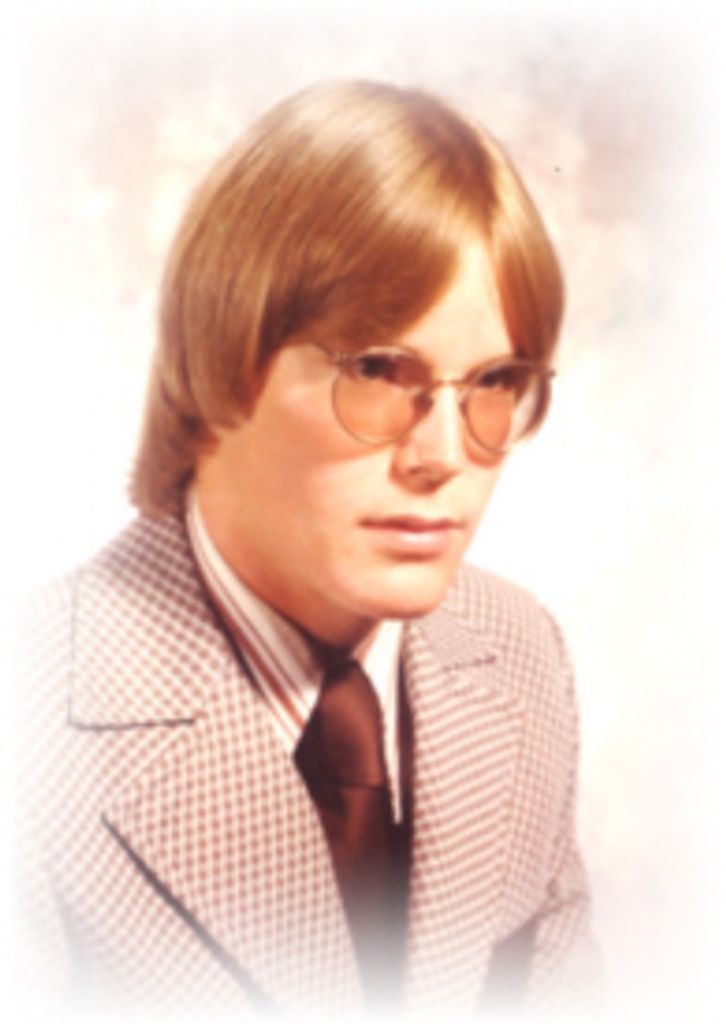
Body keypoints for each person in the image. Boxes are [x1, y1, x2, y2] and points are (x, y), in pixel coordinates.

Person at [18, 80, 599, 1016]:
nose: (444, 455)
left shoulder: (520, 650)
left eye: (494, 382)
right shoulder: (29, 713)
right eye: (378, 370)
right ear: (222, 365)